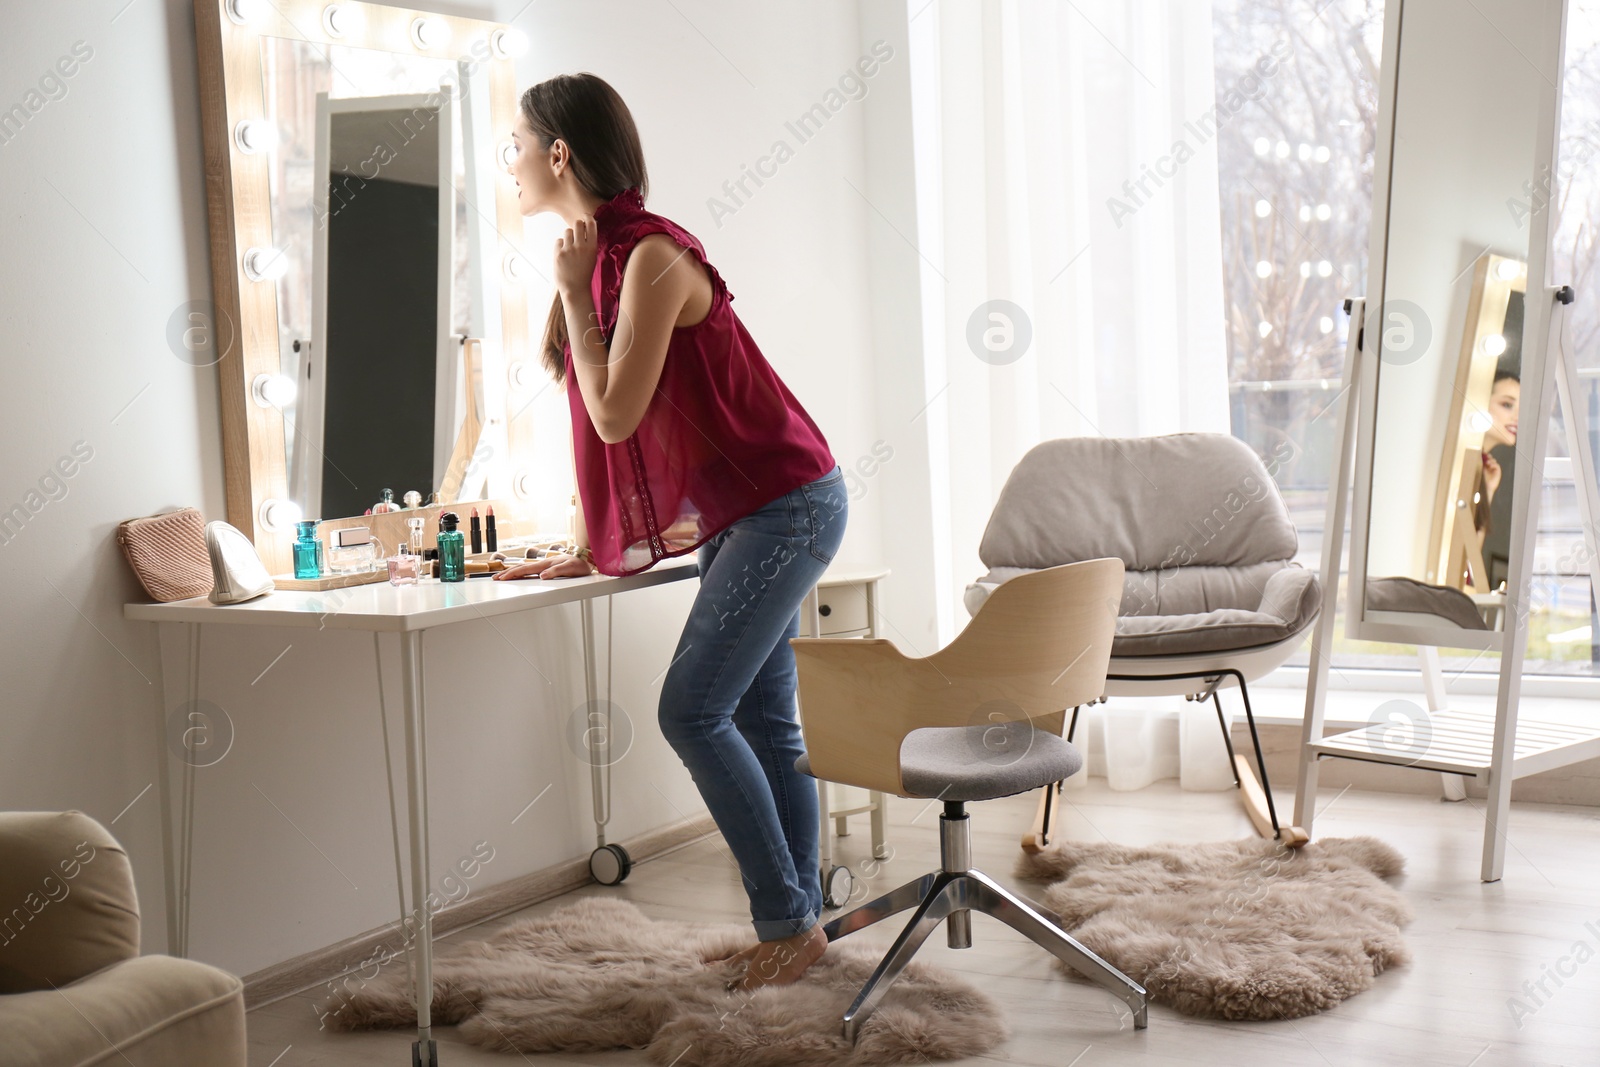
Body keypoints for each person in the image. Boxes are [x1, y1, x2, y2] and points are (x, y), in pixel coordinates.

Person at [491, 73, 846, 990]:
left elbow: (614, 416)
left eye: (517, 145)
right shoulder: (606, 258)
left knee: (691, 709)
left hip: (789, 501)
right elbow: (628, 436)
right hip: (748, 514)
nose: (512, 163)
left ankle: (785, 920)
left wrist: (569, 291)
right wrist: (586, 533)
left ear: (558, 152)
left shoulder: (643, 257)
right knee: (766, 720)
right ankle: (798, 926)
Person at [1475, 370, 1518, 590]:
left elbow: (1469, 553)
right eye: (1507, 405)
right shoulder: (1461, 463)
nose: (1517, 417)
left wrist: (1488, 490)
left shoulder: (1484, 469)